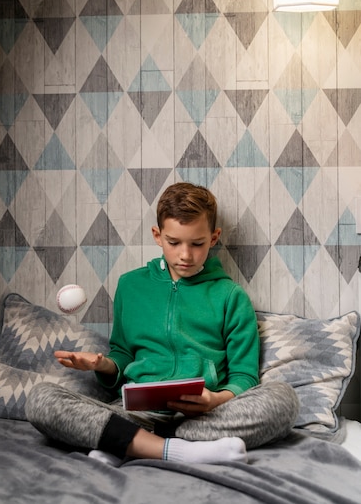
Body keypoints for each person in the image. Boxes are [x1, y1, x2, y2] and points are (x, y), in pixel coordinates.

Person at [26, 182, 299, 466]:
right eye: (174, 242)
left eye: (197, 244)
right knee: (41, 399)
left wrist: (215, 400)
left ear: (214, 237)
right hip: (136, 412)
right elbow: (122, 357)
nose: (185, 255)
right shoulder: (130, 286)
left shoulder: (231, 296)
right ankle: (177, 449)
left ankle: (127, 443)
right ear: (157, 236)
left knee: (284, 400)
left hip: (203, 415)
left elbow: (244, 378)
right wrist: (101, 364)